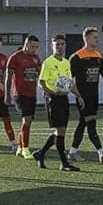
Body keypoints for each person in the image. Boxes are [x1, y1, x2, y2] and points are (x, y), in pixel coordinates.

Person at [67, 27, 103, 163]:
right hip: (83, 97)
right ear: (87, 38)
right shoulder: (77, 57)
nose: (97, 39)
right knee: (91, 123)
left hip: (94, 96)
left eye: (97, 37)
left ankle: (72, 152)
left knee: (82, 123)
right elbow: (68, 78)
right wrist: (77, 94)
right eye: (95, 37)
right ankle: (101, 153)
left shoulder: (98, 55)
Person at [33, 34, 84, 171]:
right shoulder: (48, 62)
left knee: (60, 131)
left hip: (64, 98)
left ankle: (41, 153)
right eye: (57, 44)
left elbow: (70, 83)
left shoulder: (67, 62)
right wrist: (51, 92)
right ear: (52, 46)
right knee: (60, 130)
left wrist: (79, 96)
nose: (60, 47)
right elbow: (41, 81)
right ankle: (64, 163)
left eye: (62, 44)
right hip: (53, 99)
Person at [6, 35, 42, 159]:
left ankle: (20, 148)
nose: (34, 49)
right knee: (26, 119)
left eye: (36, 47)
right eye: (32, 46)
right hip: (19, 94)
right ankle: (26, 148)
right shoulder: (15, 57)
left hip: (32, 94)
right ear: (26, 44)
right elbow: (8, 77)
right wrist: (7, 95)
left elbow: (39, 75)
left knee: (28, 121)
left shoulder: (36, 58)